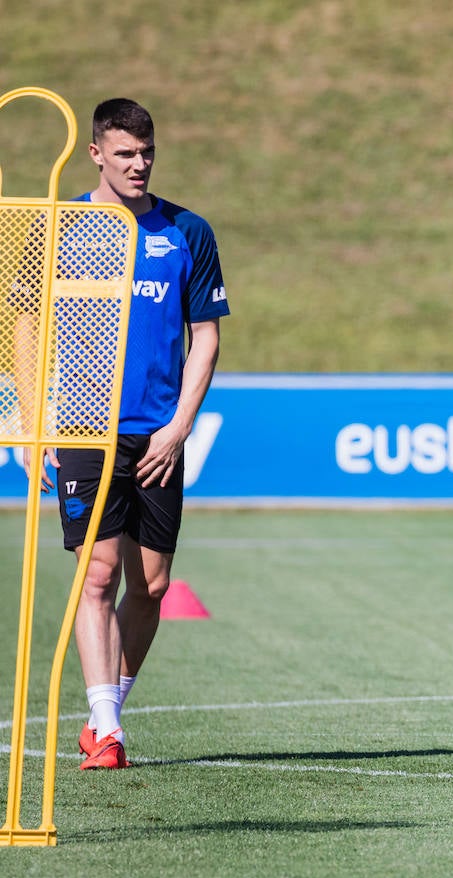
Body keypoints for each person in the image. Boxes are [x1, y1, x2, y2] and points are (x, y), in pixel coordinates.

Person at [16, 99, 229, 769]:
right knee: (99, 572)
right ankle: (107, 728)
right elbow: (21, 324)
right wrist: (30, 425)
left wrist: (179, 427)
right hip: (83, 424)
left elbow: (207, 335)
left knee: (154, 587)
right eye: (126, 153)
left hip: (158, 433)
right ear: (96, 153)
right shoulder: (62, 228)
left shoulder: (187, 231)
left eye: (148, 153)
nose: (139, 164)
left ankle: (107, 708)